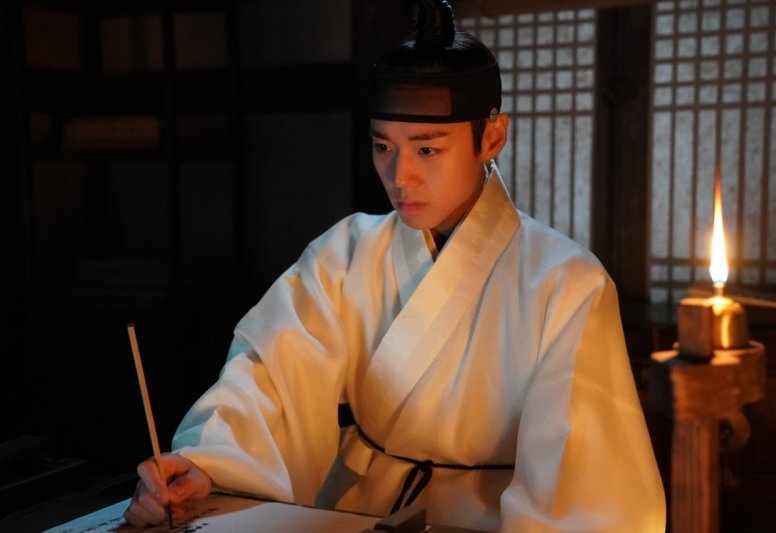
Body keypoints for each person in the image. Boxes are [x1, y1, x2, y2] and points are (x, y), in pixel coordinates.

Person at [125, 1, 666, 530]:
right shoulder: (346, 253)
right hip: (355, 513)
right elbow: (271, 376)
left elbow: (580, 482)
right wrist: (208, 464)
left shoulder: (566, 282)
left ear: (492, 137)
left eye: (427, 150)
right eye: (383, 146)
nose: (399, 175)